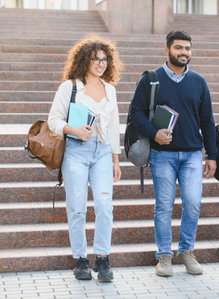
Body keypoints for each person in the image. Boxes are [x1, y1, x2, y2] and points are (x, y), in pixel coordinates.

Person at [129, 30, 217, 277]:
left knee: (192, 203)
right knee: (164, 206)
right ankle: (164, 256)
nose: (184, 52)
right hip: (161, 155)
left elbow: (208, 121)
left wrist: (212, 155)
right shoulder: (151, 79)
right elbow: (135, 113)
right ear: (166, 49)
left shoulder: (199, 81)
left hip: (191, 155)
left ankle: (186, 251)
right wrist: (154, 132)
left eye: (187, 48)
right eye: (178, 48)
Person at [48, 35, 122, 281]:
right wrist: (75, 129)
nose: (101, 64)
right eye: (95, 59)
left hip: (102, 153)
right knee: (77, 208)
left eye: (104, 60)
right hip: (76, 152)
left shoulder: (109, 90)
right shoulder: (70, 87)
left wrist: (115, 160)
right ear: (84, 60)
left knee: (104, 206)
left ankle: (102, 259)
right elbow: (54, 121)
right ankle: (80, 259)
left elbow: (113, 128)